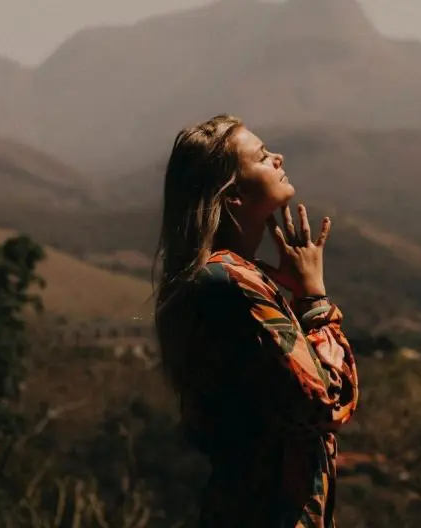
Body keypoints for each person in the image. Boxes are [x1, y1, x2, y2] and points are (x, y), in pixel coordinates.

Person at [153, 114, 360, 527]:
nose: (279, 158)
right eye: (263, 157)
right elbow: (327, 401)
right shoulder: (229, 283)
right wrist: (314, 299)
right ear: (232, 196)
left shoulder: (227, 279)